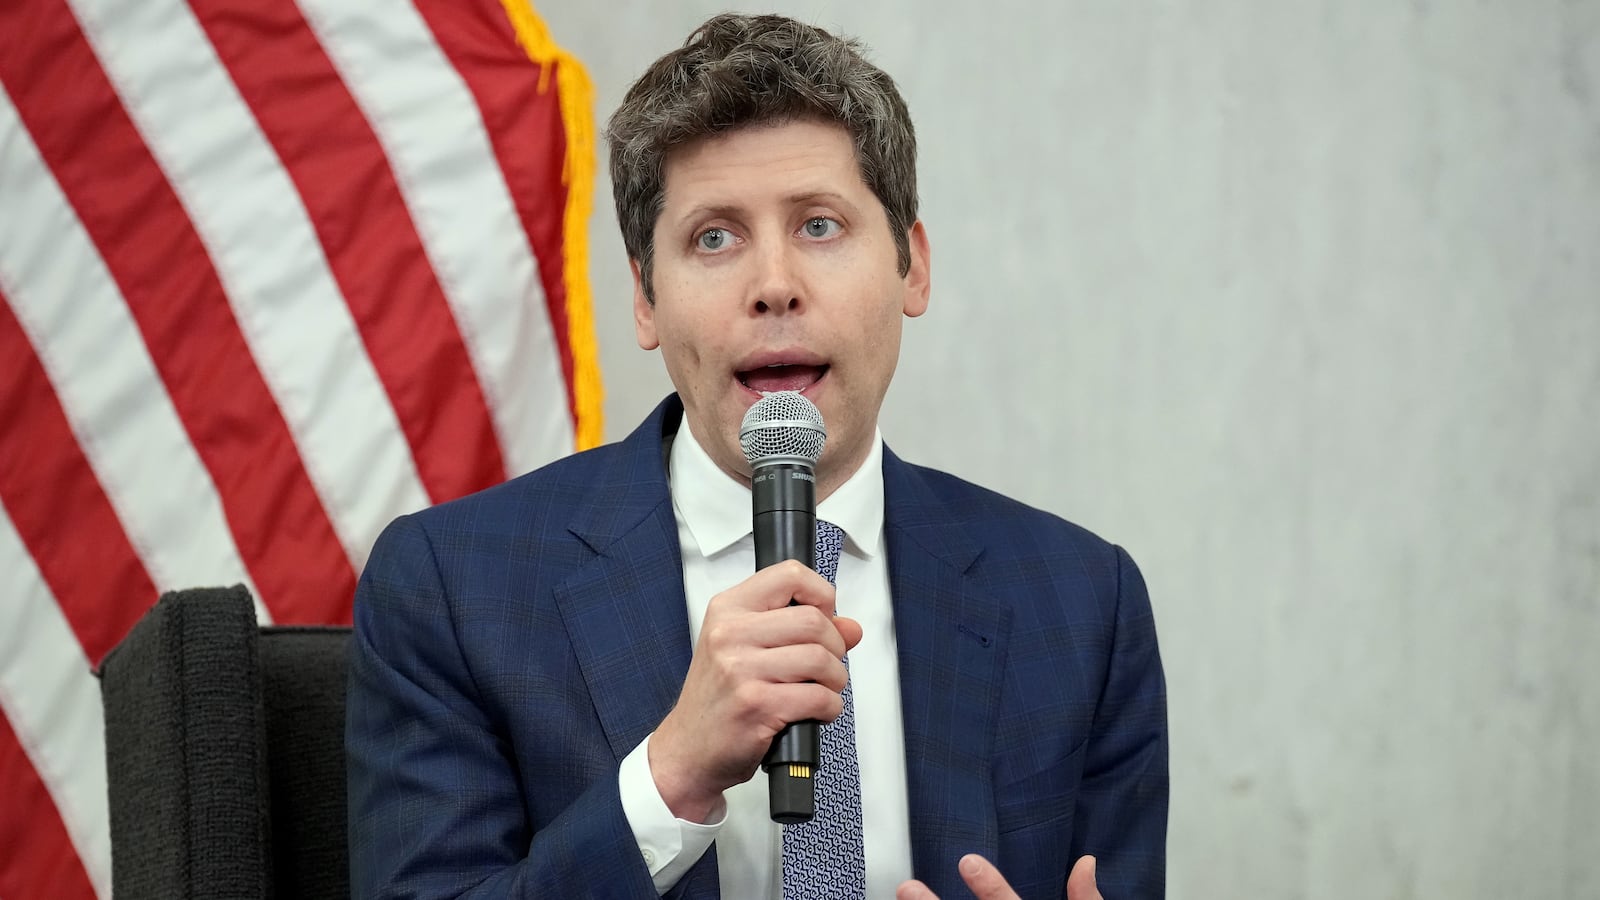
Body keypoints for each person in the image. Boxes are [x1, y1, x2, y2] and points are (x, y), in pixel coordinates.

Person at [346, 13, 1167, 900]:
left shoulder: (1083, 603)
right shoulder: (451, 588)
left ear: (912, 267)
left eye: (819, 226)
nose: (773, 285)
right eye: (714, 237)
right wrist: (669, 779)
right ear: (646, 300)